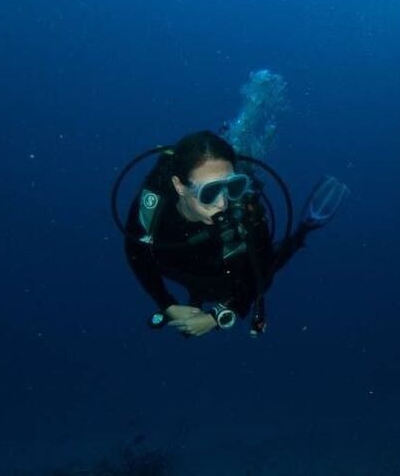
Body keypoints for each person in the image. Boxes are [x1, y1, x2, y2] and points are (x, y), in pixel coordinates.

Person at [122, 130, 348, 337]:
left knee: (268, 259)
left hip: (225, 275)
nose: (223, 202)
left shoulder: (244, 212)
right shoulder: (154, 204)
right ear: (179, 186)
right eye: (209, 192)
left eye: (233, 186)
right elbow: (136, 251)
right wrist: (167, 304)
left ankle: (304, 230)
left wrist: (216, 317)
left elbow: (261, 276)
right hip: (173, 265)